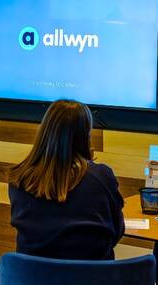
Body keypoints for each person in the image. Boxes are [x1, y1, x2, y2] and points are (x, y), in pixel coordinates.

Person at [8, 100, 124, 260]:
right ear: (85, 136)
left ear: (45, 132)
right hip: (92, 275)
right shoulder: (101, 177)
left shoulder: (19, 179)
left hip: (32, 276)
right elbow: (117, 231)